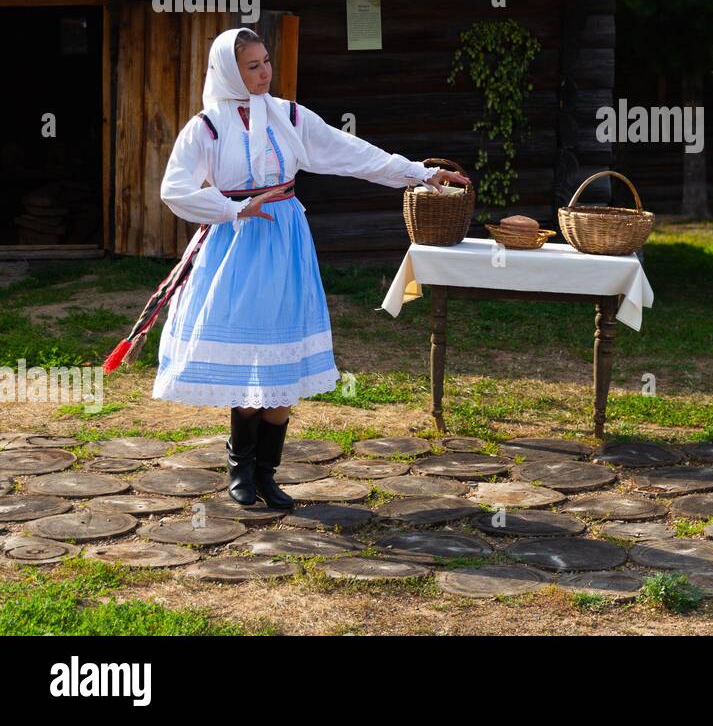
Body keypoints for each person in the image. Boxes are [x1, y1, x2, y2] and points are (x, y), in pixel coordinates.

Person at [103, 26, 471, 510]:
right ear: (230, 71)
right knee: (250, 359)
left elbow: (353, 154)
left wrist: (421, 173)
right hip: (238, 247)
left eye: (266, 62)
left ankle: (267, 473)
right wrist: (233, 209)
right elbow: (174, 190)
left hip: (287, 243)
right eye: (252, 66)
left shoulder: (290, 116)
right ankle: (240, 470)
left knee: (281, 360)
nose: (264, 73)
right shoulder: (207, 127)